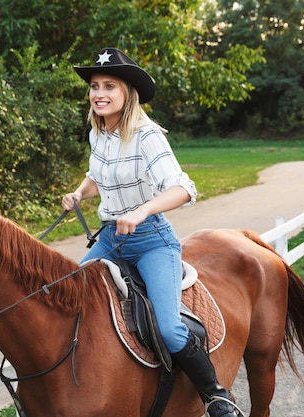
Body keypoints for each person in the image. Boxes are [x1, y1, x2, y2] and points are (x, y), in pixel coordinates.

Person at [63, 48, 239, 417]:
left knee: (169, 328)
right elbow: (99, 174)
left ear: (127, 93)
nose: (99, 93)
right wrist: (80, 192)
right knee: (67, 301)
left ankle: (216, 396)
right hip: (110, 239)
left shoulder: (147, 137)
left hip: (150, 241)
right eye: (95, 86)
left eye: (109, 85)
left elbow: (183, 188)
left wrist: (141, 211)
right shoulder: (101, 134)